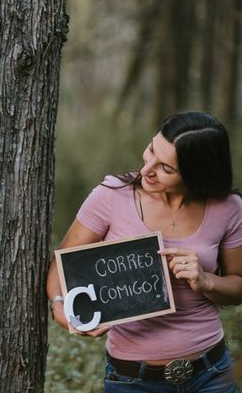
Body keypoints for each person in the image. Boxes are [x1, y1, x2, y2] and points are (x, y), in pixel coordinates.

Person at [46, 111, 242, 392]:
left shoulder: (228, 207)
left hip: (209, 373)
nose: (147, 169)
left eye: (166, 168)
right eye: (151, 150)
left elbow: (238, 285)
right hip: (132, 379)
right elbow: (61, 263)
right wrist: (60, 310)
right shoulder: (112, 195)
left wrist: (207, 281)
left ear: (197, 173)